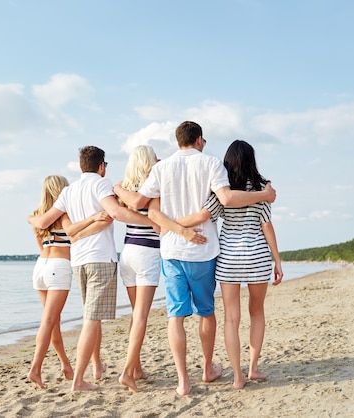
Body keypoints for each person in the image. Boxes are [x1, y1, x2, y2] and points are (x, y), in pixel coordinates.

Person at [113, 121, 276, 396]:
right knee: (206, 313)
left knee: (176, 317)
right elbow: (224, 198)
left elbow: (141, 203)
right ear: (199, 140)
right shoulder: (212, 164)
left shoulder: (161, 168)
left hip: (171, 252)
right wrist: (264, 195)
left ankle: (182, 382)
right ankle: (208, 368)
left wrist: (117, 189)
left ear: (178, 141)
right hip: (203, 251)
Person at [28, 146, 157, 392]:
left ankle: (99, 369)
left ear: (81, 166)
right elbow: (117, 212)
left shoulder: (68, 190)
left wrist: (30, 219)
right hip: (100, 259)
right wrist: (153, 222)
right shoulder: (101, 184)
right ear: (101, 166)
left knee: (92, 318)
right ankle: (78, 380)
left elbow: (47, 223)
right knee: (91, 319)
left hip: (78, 262)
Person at [193, 140, 284, 389]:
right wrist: (277, 260)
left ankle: (237, 376)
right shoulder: (260, 188)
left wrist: (173, 225)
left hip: (229, 259)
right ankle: (253, 368)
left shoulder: (224, 190)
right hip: (256, 257)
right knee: (257, 312)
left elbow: (204, 215)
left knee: (231, 319)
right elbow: (267, 225)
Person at [26, 175, 112, 390]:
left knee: (53, 320)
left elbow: (39, 243)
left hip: (40, 267)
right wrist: (93, 219)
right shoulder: (64, 214)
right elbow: (73, 235)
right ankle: (35, 369)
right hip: (58, 267)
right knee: (49, 321)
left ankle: (65, 364)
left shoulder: (37, 216)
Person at [116, 145, 161, 393]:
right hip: (147, 253)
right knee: (141, 316)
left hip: (127, 252)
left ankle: (137, 368)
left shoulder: (125, 189)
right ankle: (126, 372)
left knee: (136, 315)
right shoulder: (153, 186)